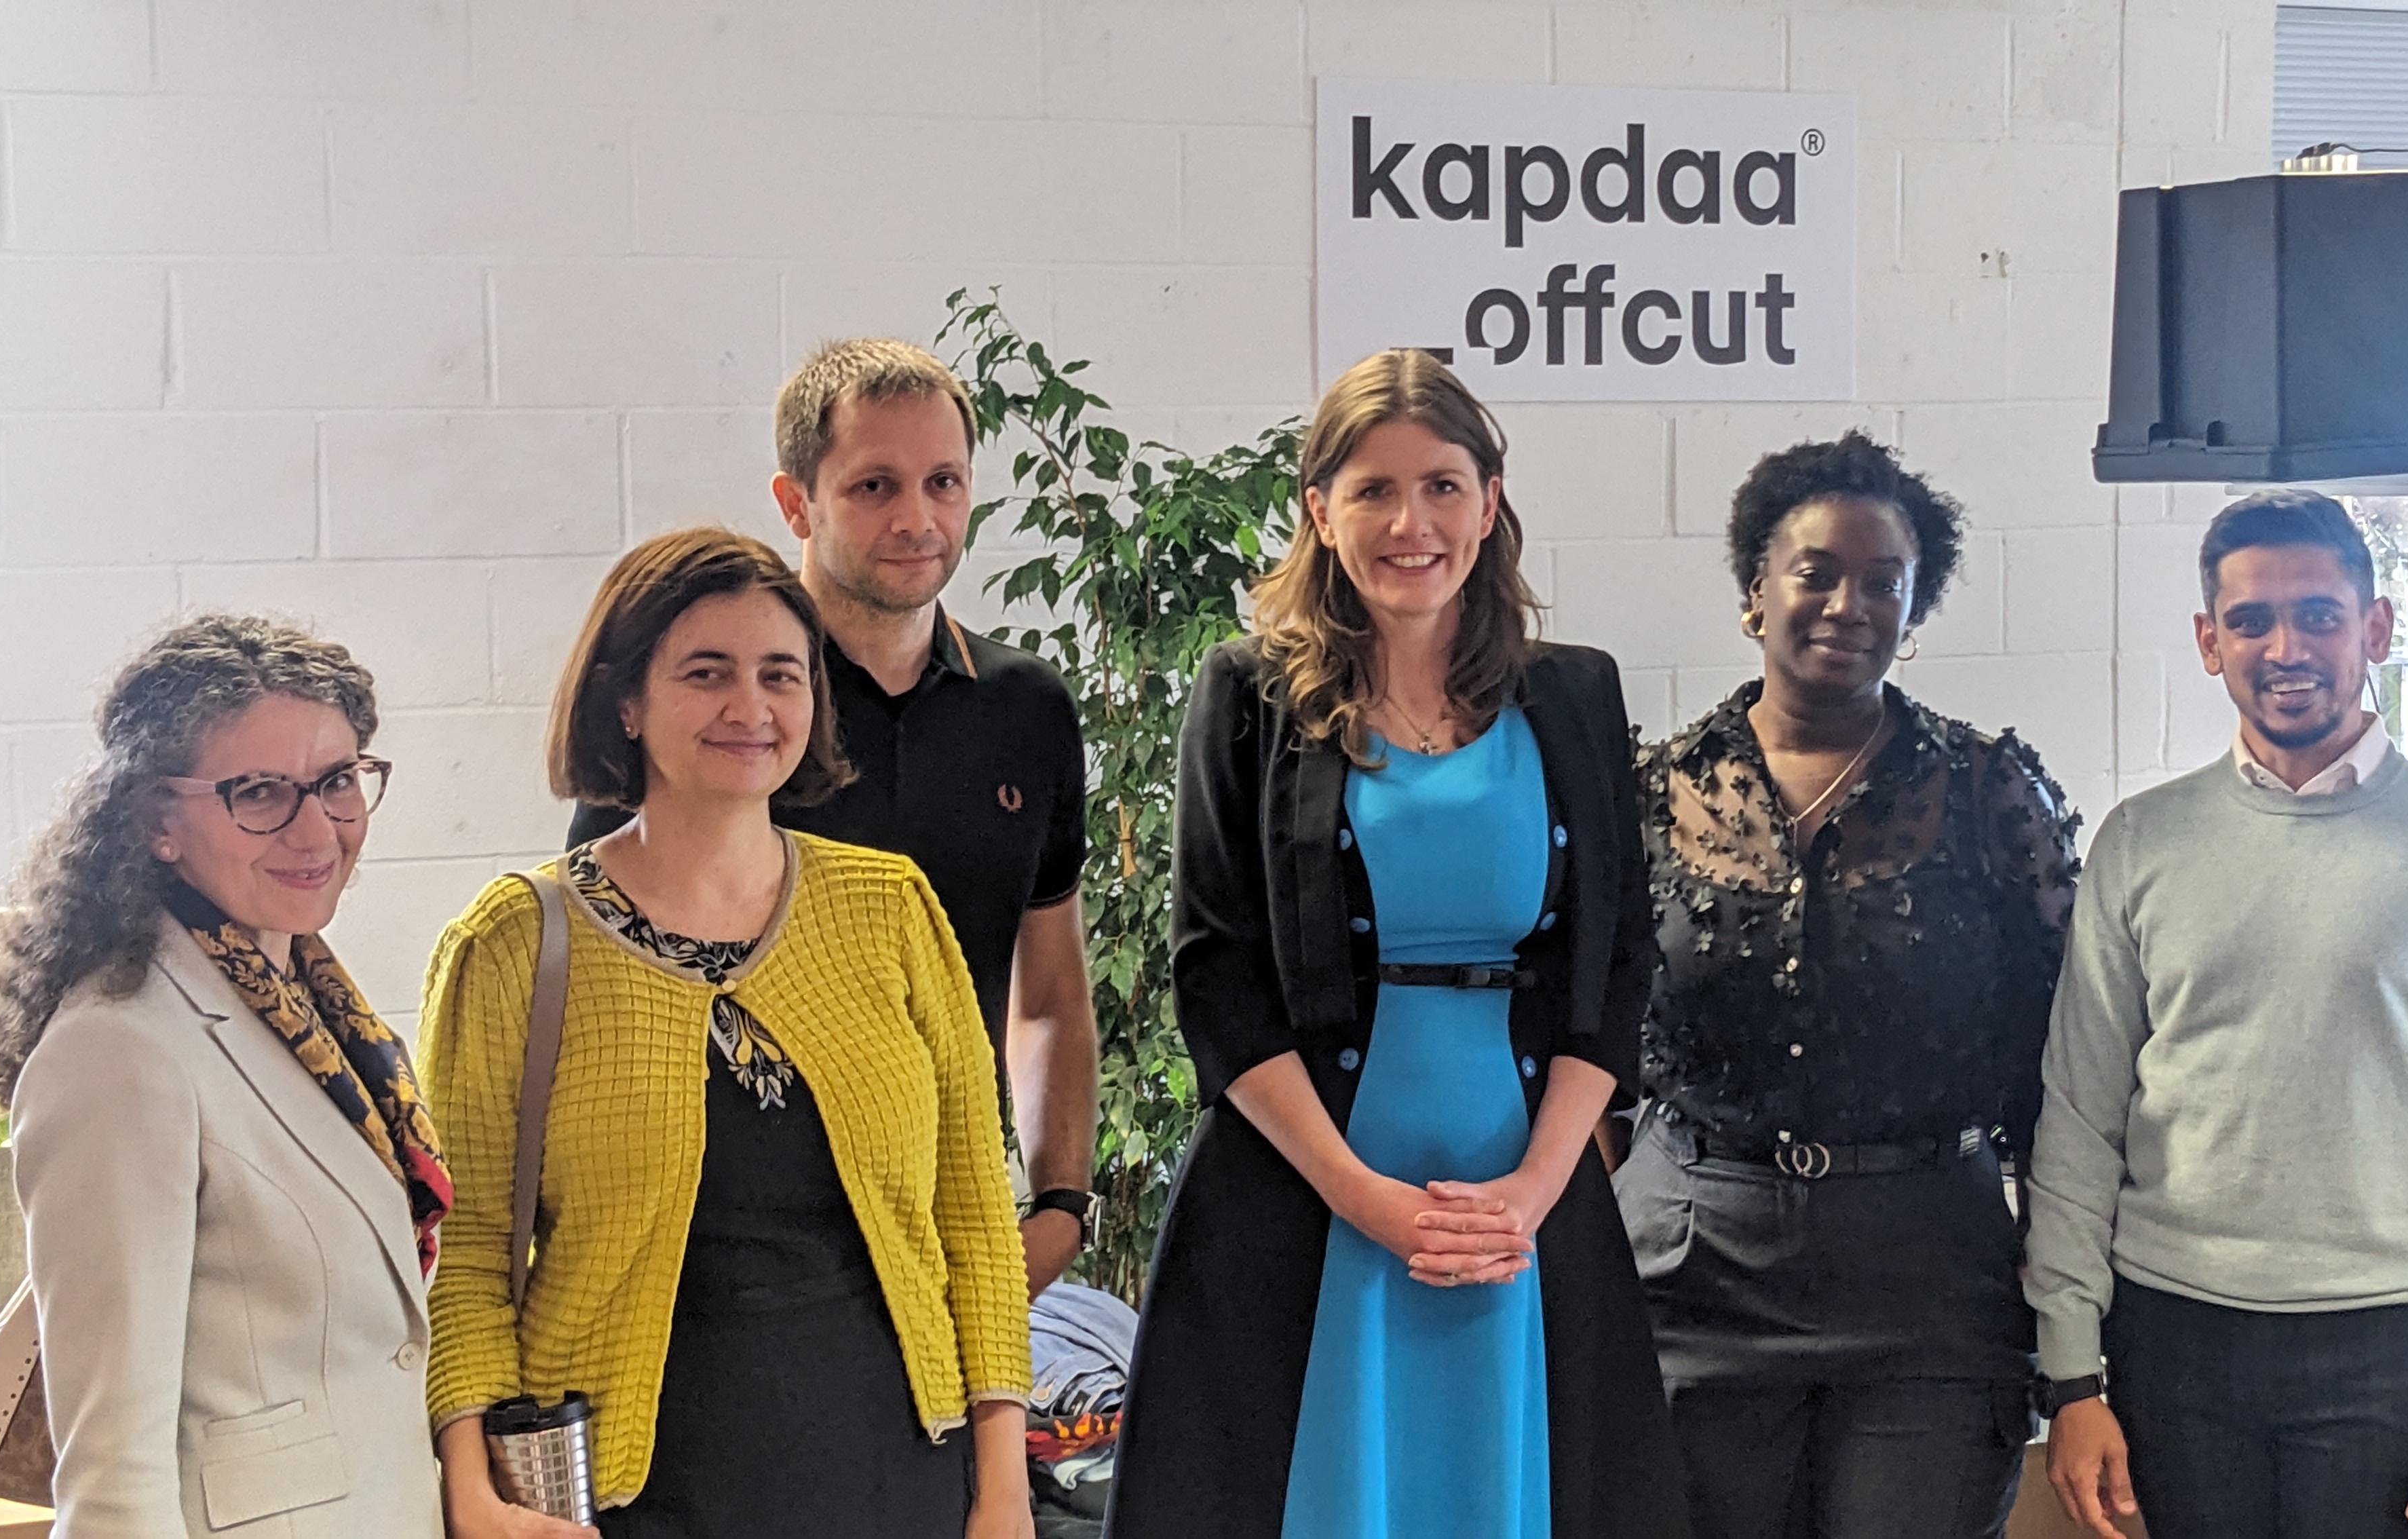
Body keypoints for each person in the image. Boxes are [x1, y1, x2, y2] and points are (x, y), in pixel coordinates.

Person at [1103, 349, 1692, 1539]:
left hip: (1520, 1207)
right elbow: (1216, 974)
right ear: (1318, 509)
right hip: (1307, 1196)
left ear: (1490, 499)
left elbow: (1616, 965)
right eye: (1372, 490)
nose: (1408, 522)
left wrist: (1529, 1198)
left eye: (1441, 485)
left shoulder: (1575, 694)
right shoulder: (1246, 693)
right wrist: (1366, 1200)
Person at [420, 529, 1032, 1539]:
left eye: (780, 675)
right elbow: (472, 1251)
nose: (750, 708)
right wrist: (469, 1488)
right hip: (635, 1493)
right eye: (707, 674)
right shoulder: (514, 944)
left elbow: (972, 1213)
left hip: (901, 1472)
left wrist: (1003, 1490)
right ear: (625, 701)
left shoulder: (891, 909)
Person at [2028, 490, 2408, 1539]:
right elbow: (2079, 1120)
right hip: (2174, 1341)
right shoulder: (2142, 845)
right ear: (2207, 641)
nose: (2287, 647)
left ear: (2376, 628)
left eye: (2320, 615)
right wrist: (2070, 1376)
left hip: (2397, 1344)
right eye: (2251, 621)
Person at [1616, 431, 2079, 1538]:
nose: (1846, 603)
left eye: (1884, 583)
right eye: (1815, 571)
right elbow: (1586, 1039)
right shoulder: (1651, 792)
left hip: (1929, 1272)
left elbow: (2061, 1053)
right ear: (1754, 590)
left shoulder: (1990, 792)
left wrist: (2064, 1285)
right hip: (1694, 1266)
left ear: (1914, 612)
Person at [569, 339, 1098, 1297]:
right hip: (738, 1251)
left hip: (954, 1227)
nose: (917, 518)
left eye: (944, 482)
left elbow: (1050, 992)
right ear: (795, 503)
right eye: (873, 487)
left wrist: (1059, 1210)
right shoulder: (724, 717)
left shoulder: (1026, 710)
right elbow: (610, 989)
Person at [0, 614, 447, 1538]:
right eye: (260, 792)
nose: (316, 827)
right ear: (158, 818)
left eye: (338, 782)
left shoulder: (306, 1003)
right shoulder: (120, 1051)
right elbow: (113, 1466)